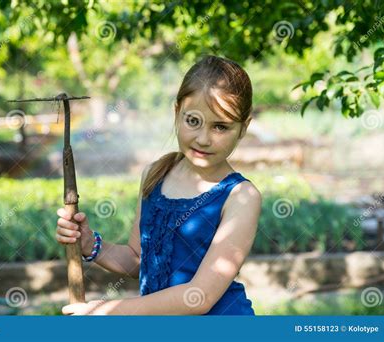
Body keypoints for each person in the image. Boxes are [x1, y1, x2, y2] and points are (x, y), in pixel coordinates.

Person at [56, 55, 262, 315]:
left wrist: (112, 310)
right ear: (177, 112)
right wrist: (90, 245)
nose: (203, 138)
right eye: (193, 121)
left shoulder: (241, 197)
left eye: (220, 127)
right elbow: (139, 259)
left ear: (243, 128)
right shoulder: (156, 174)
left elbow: (199, 297)